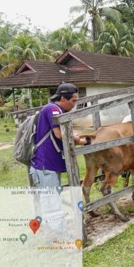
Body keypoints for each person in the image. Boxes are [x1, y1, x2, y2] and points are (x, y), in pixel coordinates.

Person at [30, 83, 88, 234]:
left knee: (51, 200)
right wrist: (78, 140)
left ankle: (53, 232)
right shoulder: (54, 109)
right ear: (63, 98)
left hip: (48, 165)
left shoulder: (57, 109)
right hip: (45, 165)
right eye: (73, 100)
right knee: (52, 202)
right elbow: (58, 134)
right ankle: (60, 237)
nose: (75, 104)